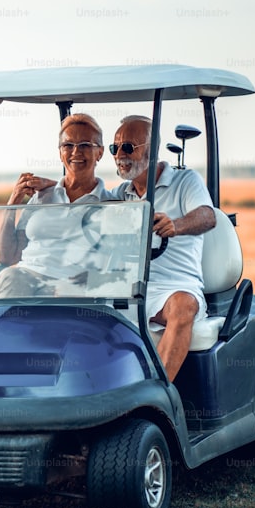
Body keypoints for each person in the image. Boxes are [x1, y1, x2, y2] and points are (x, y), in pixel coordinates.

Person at [108, 115, 217, 381]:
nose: (120, 154)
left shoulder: (185, 181)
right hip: (128, 287)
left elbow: (207, 216)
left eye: (128, 147)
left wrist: (175, 225)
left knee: (183, 306)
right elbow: (84, 208)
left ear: (152, 149)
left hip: (174, 286)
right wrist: (50, 190)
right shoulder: (120, 194)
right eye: (115, 148)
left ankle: (156, 394)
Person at [0, 112, 112, 296]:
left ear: (100, 153)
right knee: (8, 276)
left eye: (85, 145)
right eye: (68, 145)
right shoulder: (42, 197)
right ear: (60, 153)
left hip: (75, 286)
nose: (76, 152)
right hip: (28, 278)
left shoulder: (111, 204)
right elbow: (8, 257)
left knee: (67, 293)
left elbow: (114, 266)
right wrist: (13, 203)